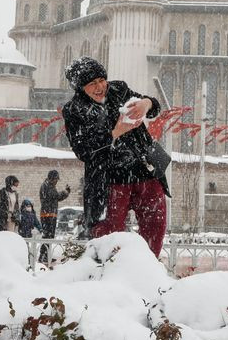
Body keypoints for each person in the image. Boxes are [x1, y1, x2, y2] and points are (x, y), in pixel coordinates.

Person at [61, 56, 168, 256]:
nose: (100, 86)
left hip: (145, 171)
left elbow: (154, 108)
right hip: (109, 181)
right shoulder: (74, 110)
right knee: (108, 235)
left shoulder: (118, 90)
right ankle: (111, 275)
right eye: (92, 84)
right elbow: (83, 151)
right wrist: (115, 132)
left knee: (156, 225)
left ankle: (149, 269)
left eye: (102, 80)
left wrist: (145, 104)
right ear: (80, 87)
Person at [38, 169, 71, 262]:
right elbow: (56, 196)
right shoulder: (46, 186)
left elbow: (56, 197)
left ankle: (46, 255)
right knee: (47, 236)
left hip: (50, 214)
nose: (56, 181)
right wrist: (65, 192)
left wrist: (65, 193)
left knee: (50, 236)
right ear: (52, 178)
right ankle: (43, 256)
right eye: (56, 179)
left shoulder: (50, 186)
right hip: (47, 215)